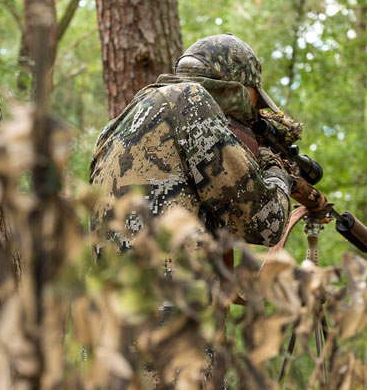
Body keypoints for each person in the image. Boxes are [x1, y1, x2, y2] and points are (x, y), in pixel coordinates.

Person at [89, 34, 292, 253]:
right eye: (255, 102)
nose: (254, 113)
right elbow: (267, 224)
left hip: (112, 283)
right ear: (237, 89)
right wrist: (276, 170)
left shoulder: (117, 125)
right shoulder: (191, 98)